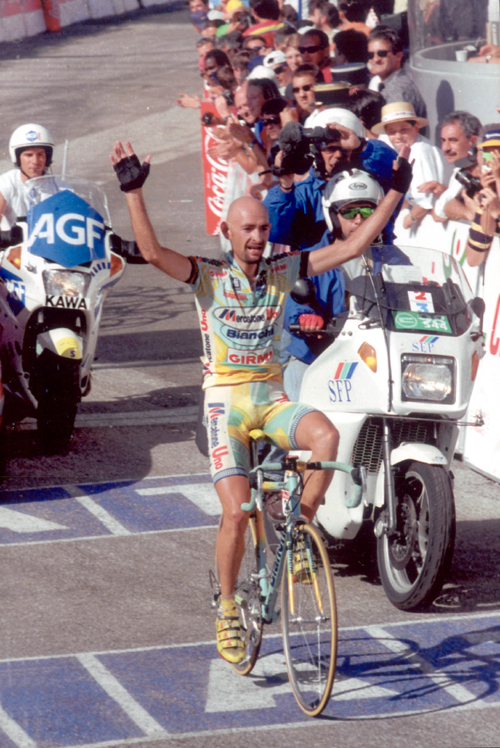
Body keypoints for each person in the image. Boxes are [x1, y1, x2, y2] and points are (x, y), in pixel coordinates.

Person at [110, 140, 410, 664]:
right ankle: (227, 607)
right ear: (226, 233)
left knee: (326, 436)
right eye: (247, 230)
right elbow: (154, 253)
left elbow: (351, 247)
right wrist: (133, 191)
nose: (257, 238)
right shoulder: (207, 274)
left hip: (271, 401)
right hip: (225, 406)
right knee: (236, 510)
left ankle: (299, 532)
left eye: (263, 230)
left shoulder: (283, 269)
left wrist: (397, 193)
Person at [372, 101, 450, 229]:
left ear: (416, 127)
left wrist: (412, 217)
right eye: (392, 132)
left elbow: (426, 200)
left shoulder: (420, 150)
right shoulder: (407, 148)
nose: (398, 136)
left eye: (404, 130)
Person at [0, 123, 55, 229]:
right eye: (28, 155)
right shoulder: (5, 183)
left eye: (40, 155)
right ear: (17, 158)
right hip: (13, 244)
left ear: (47, 158)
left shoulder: (60, 187)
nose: (35, 161)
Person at [367, 26, 427, 120]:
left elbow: (398, 132)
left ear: (398, 56)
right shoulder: (393, 85)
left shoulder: (396, 89)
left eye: (382, 53)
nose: (376, 59)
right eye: (370, 55)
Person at [434, 111, 483, 223]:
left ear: (473, 140)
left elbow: (437, 214)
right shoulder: (460, 171)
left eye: (453, 140)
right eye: (443, 140)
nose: (445, 148)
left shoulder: (479, 171)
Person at [466, 126, 500, 266]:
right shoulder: (488, 193)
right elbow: (473, 259)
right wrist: (488, 191)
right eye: (488, 153)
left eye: (497, 153)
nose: (492, 160)